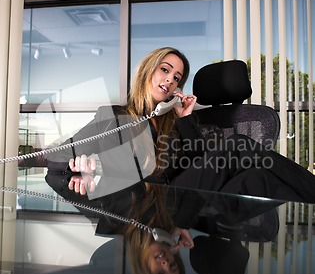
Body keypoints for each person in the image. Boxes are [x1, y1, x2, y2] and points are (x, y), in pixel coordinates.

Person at [46, 46, 315, 203]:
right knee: (238, 144)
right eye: (165, 70)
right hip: (150, 203)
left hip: (185, 199)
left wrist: (186, 120)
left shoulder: (177, 121)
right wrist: (84, 166)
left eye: (177, 77)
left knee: (256, 178)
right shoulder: (111, 118)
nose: (170, 80)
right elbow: (55, 161)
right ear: (148, 70)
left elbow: (207, 165)